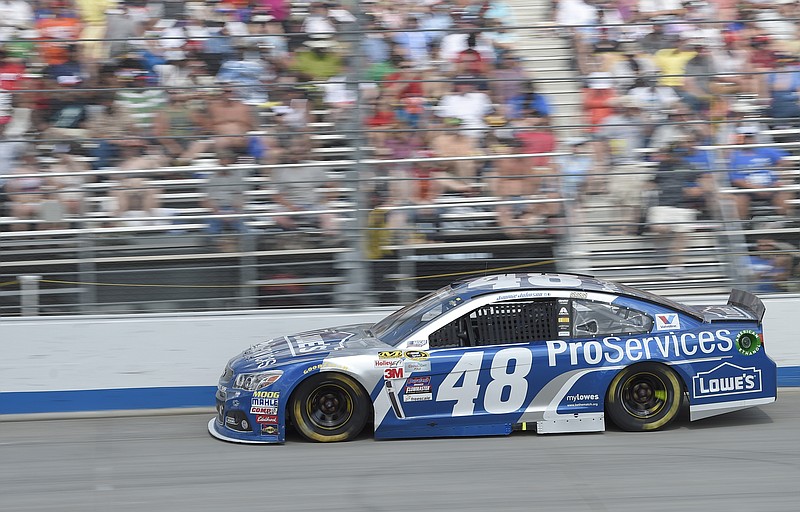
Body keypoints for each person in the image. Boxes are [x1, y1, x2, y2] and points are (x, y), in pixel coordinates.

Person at [646, 141, 714, 272]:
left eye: (673, 153)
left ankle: (675, 266)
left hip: (682, 206)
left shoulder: (687, 166)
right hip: (663, 205)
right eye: (669, 153)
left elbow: (705, 179)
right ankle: (661, 253)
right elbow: (651, 183)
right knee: (659, 228)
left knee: (682, 234)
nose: (670, 156)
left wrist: (699, 189)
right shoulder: (661, 167)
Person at [728, 127, 793, 220]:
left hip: (772, 186)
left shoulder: (766, 150)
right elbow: (736, 179)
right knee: (741, 198)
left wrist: (780, 178)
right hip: (747, 189)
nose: (748, 140)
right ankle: (743, 225)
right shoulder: (734, 155)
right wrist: (757, 189)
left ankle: (785, 221)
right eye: (746, 137)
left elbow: (786, 163)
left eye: (751, 137)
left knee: (784, 193)